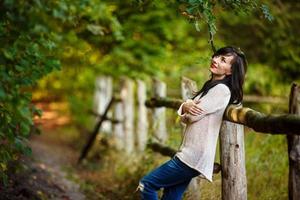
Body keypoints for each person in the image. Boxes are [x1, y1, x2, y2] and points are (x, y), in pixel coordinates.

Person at [138, 46, 247, 200]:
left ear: (230, 71)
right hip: (190, 156)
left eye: (223, 60)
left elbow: (191, 117)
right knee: (171, 197)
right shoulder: (210, 87)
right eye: (217, 56)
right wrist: (187, 105)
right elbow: (186, 115)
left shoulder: (221, 90)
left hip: (192, 158)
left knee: (146, 184)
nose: (215, 60)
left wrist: (187, 105)